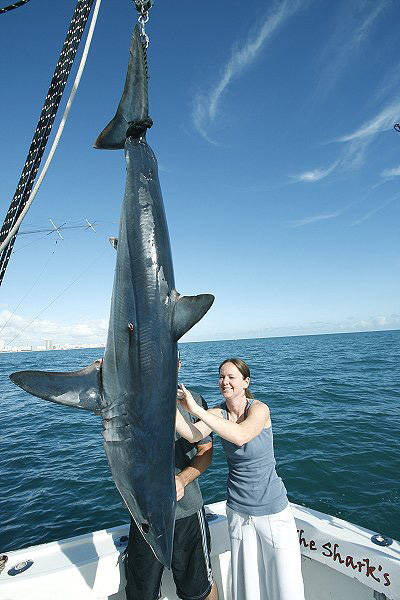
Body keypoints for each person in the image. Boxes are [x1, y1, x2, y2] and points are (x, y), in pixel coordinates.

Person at [176, 357, 305, 600]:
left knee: (287, 589)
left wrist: (196, 410)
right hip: (238, 512)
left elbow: (241, 436)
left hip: (273, 512)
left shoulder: (259, 409)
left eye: (231, 377)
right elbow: (192, 434)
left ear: (246, 382)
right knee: (247, 589)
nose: (225, 381)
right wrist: (167, 399)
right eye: (221, 376)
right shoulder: (218, 413)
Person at [125, 354, 219, 600]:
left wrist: (183, 479)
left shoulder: (195, 401)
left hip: (187, 512)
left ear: (178, 363)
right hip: (145, 515)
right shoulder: (131, 401)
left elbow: (205, 451)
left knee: (200, 590)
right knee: (140, 594)